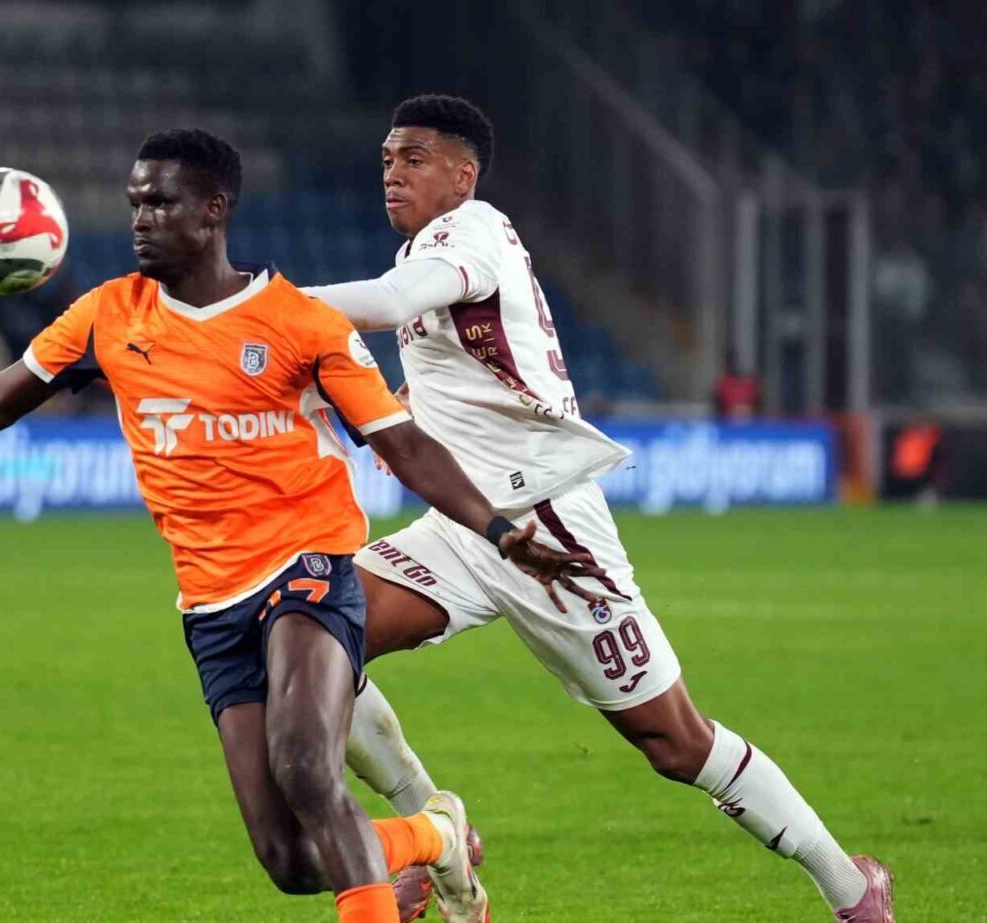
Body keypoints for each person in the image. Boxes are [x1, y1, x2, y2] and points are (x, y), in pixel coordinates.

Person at [0, 129, 598, 923]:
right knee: (290, 861)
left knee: (308, 767)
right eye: (134, 203)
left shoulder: (299, 321)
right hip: (212, 603)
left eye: (160, 202)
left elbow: (401, 443)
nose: (141, 218)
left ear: (214, 210)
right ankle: (434, 833)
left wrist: (496, 528)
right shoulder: (109, 315)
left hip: (307, 566)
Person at [303, 95, 895, 923]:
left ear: (463, 176)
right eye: (387, 160)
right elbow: (451, 364)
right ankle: (438, 830)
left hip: (547, 531)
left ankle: (851, 886)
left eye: (414, 158)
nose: (392, 174)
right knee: (315, 637)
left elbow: (392, 302)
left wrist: (259, 306)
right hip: (464, 529)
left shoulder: (470, 231)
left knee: (676, 742)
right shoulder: (431, 249)